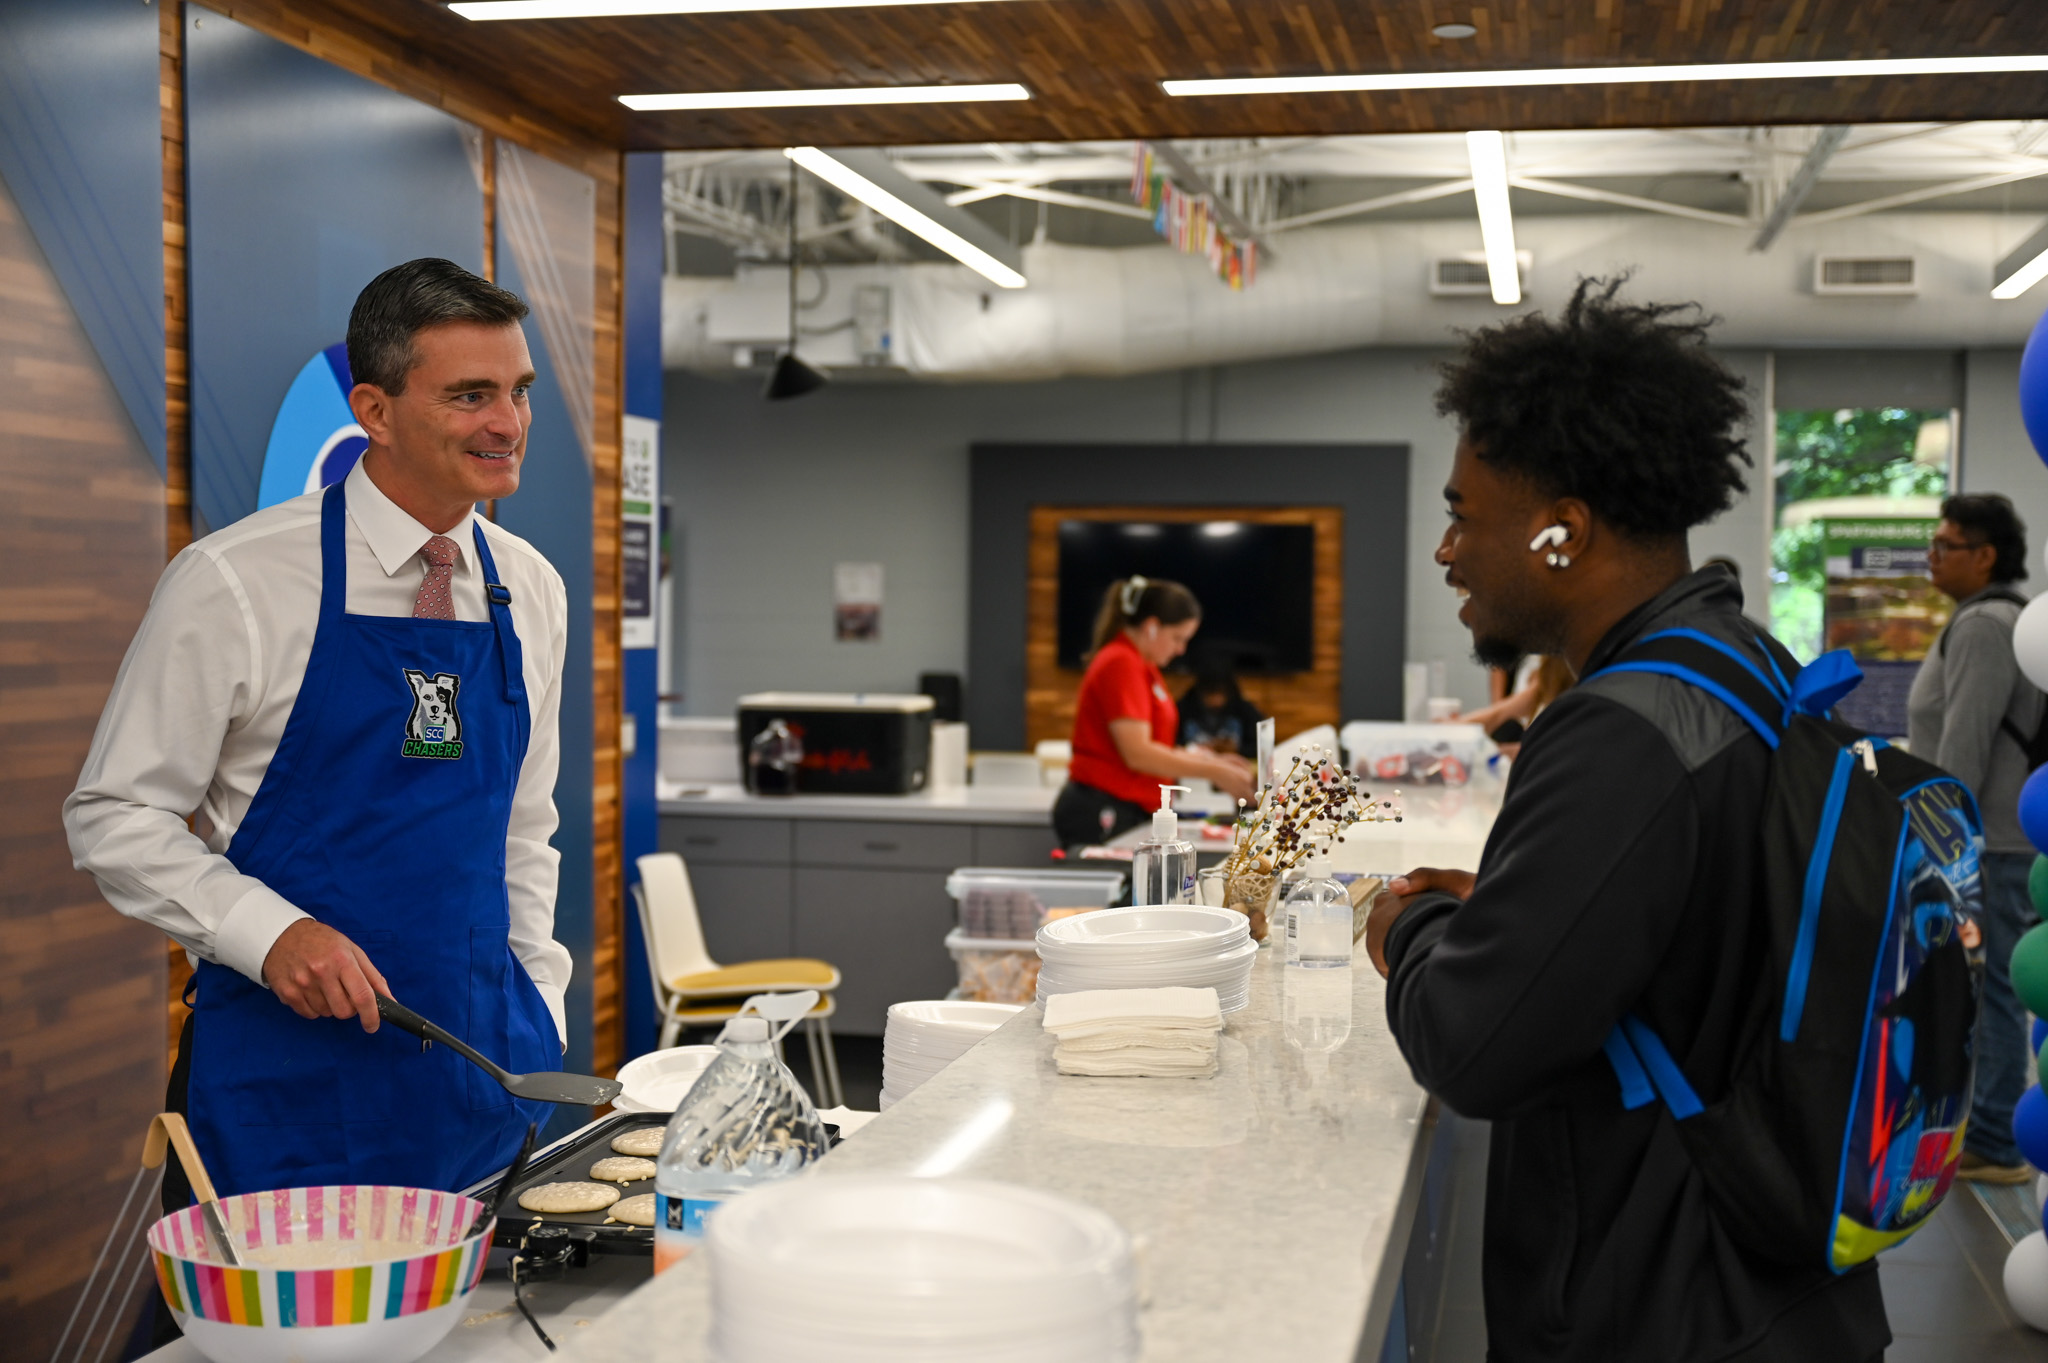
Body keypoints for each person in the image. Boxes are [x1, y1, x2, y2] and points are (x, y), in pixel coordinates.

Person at [1364, 278, 1889, 1360]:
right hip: (1773, 1285)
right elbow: (1698, 913)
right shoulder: (1740, 664)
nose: (1445, 550)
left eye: (1463, 514)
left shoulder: (1622, 729)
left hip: (1669, 1303)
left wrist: (1402, 927)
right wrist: (1513, 907)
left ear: (1562, 530)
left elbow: (1472, 1045)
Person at [65, 259, 570, 1211]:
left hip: (483, 1085)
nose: (508, 423)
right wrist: (272, 933)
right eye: (470, 395)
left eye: (519, 391)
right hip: (289, 1096)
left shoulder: (532, 588)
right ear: (375, 411)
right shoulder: (234, 583)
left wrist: (540, 1000)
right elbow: (114, 815)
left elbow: (524, 830)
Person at [1908, 492, 2044, 1184]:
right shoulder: (1994, 619)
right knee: (1990, 987)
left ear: (1985, 555)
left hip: (1989, 844)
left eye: (1945, 545)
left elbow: (1964, 743)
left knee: (1992, 990)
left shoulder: (1986, 625)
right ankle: (1989, 1127)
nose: (1932, 557)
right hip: (2001, 838)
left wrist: (1939, 840)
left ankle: (1993, 1135)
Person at [1053, 576, 1256, 846]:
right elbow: (1138, 753)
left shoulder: (1142, 666)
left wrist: (1214, 762)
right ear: (1151, 627)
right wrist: (1214, 772)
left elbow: (1155, 746)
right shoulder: (1121, 662)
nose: (1181, 649)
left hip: (1125, 806)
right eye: (1177, 638)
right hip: (1103, 807)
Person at [1175, 651, 1266, 755]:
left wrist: (1237, 749)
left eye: (1221, 692)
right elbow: (1172, 745)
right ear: (1199, 691)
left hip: (1235, 762)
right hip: (1192, 762)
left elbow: (1262, 747)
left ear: (1230, 692)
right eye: (1210, 693)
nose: (1216, 700)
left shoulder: (1245, 711)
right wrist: (1196, 748)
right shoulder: (1183, 709)